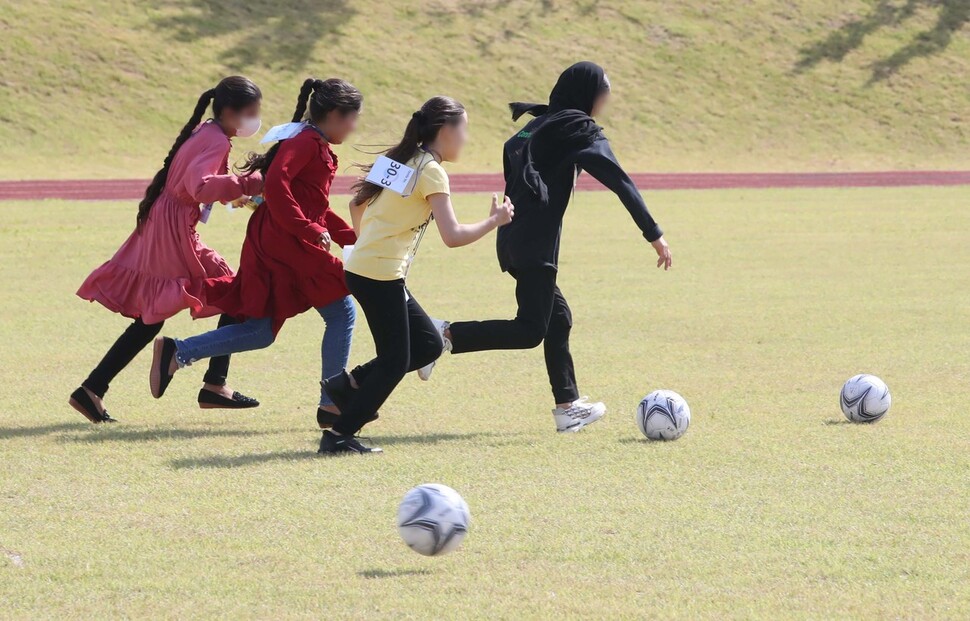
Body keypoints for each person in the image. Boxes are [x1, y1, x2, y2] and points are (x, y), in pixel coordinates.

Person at [423, 61, 673, 433]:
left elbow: (514, 151)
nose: (606, 100)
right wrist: (654, 233)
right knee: (529, 330)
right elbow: (619, 180)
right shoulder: (578, 129)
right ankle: (443, 334)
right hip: (534, 244)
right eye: (604, 93)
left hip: (512, 238)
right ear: (590, 94)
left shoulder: (538, 125)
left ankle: (567, 406)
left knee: (559, 319)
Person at [150, 78, 362, 429]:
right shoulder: (306, 141)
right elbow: (276, 183)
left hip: (281, 241)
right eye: (353, 118)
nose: (355, 126)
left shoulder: (313, 142)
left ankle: (178, 351)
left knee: (261, 331)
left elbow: (313, 204)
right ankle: (332, 404)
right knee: (341, 311)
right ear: (336, 115)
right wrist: (308, 229)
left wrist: (347, 236)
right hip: (284, 245)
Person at [317, 96, 515, 455]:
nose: (467, 138)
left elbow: (355, 204)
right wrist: (494, 221)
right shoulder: (432, 171)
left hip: (366, 268)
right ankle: (339, 435)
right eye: (465, 128)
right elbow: (452, 236)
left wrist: (369, 243)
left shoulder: (399, 156)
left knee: (428, 344)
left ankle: (348, 386)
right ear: (445, 129)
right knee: (395, 360)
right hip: (379, 274)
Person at [71, 76, 265, 423]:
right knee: (234, 292)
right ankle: (213, 385)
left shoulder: (210, 132)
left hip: (166, 224)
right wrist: (250, 181)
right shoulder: (216, 140)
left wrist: (241, 196)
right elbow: (200, 186)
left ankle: (92, 389)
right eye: (251, 113)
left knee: (154, 316)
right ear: (231, 112)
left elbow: (199, 184)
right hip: (172, 230)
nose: (255, 120)